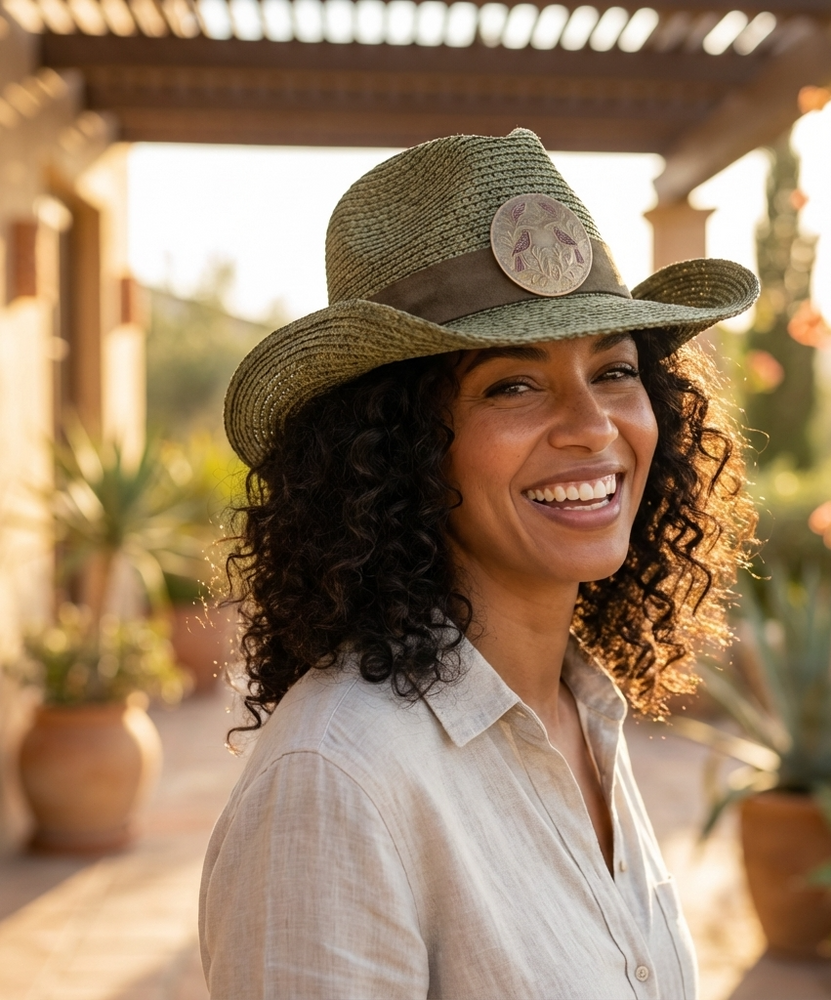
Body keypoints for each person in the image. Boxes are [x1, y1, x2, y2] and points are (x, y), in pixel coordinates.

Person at [200, 128, 758, 1000]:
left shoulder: (581, 710)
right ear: (392, 450)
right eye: (513, 384)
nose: (592, 426)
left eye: (613, 371)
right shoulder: (336, 782)